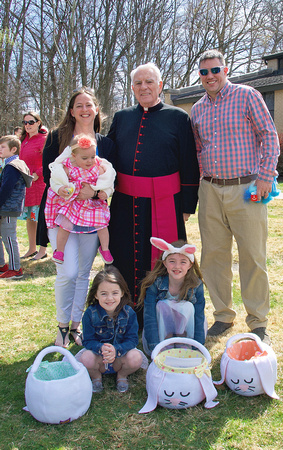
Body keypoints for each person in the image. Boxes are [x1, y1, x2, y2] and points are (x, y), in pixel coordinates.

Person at [191, 49, 280, 345]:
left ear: (225, 70)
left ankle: (257, 321)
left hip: (248, 188)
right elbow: (198, 149)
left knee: (252, 255)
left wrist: (266, 176)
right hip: (211, 189)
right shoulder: (197, 109)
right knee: (213, 256)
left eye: (214, 70)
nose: (210, 76)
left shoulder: (247, 95)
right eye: (204, 72)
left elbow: (269, 135)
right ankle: (223, 316)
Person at [107, 62, 199, 326]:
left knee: (164, 258)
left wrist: (187, 205)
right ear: (132, 87)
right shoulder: (122, 117)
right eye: (138, 83)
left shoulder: (178, 117)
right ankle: (124, 310)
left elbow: (189, 163)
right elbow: (109, 156)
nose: (143, 87)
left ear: (160, 85)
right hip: (125, 202)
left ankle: (159, 313)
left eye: (149, 82)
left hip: (165, 202)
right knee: (123, 253)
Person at [41, 87, 115, 348]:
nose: (85, 110)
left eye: (89, 105)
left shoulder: (105, 144)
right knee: (68, 271)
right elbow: (48, 176)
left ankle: (75, 326)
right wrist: (72, 190)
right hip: (62, 214)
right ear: (71, 111)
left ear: (96, 110)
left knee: (83, 273)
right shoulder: (56, 139)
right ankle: (61, 326)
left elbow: (109, 179)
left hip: (91, 216)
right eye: (79, 106)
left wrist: (95, 192)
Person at [45, 133, 116, 264]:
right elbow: (56, 180)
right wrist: (61, 188)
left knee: (102, 223)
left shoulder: (98, 168)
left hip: (92, 204)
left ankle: (105, 248)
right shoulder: (68, 168)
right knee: (65, 224)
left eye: (92, 157)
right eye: (85, 158)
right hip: (74, 203)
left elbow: (108, 181)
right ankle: (59, 251)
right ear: (74, 156)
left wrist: (105, 192)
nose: (90, 161)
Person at [78, 266, 144, 393]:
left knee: (136, 358)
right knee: (86, 358)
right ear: (96, 294)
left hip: (121, 358)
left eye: (114, 293)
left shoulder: (129, 313)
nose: (109, 298)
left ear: (122, 293)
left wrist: (116, 350)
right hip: (99, 359)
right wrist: (101, 348)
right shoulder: (90, 314)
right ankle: (96, 377)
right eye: (104, 294)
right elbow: (88, 340)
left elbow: (132, 340)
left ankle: (122, 375)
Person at [138, 237, 206, 355]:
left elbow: (199, 317)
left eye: (183, 262)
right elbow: (150, 316)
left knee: (188, 307)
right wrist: (154, 346)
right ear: (165, 263)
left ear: (190, 265)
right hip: (161, 331)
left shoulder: (196, 285)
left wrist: (197, 347)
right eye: (172, 261)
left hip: (186, 328)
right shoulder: (155, 284)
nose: (177, 266)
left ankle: (185, 344)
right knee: (162, 305)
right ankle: (165, 345)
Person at [0, 135, 33, 279]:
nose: (0, 149)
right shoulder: (9, 164)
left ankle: (15, 269)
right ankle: (2, 265)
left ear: (13, 149)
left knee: (9, 237)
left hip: (9, 208)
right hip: (6, 207)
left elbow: (6, 189)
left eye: (2, 147)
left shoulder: (12, 166)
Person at [19, 111, 48, 260]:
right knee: (30, 218)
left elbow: (48, 160)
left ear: (38, 123)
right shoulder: (23, 141)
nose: (27, 125)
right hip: (26, 184)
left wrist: (38, 173)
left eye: (31, 122)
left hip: (39, 183)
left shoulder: (44, 139)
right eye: (25, 123)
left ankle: (43, 250)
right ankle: (31, 248)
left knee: (41, 217)